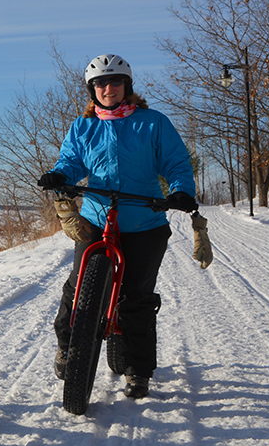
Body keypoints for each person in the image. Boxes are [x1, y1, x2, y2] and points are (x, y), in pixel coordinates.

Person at [38, 54, 202, 399]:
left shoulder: (152, 122)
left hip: (144, 219)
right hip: (97, 218)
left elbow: (175, 162)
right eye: (100, 83)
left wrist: (181, 191)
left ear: (127, 86)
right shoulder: (84, 126)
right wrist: (60, 176)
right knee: (78, 287)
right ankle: (68, 347)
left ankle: (137, 369)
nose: (107, 88)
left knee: (136, 297)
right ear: (91, 89)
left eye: (114, 82)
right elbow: (71, 161)